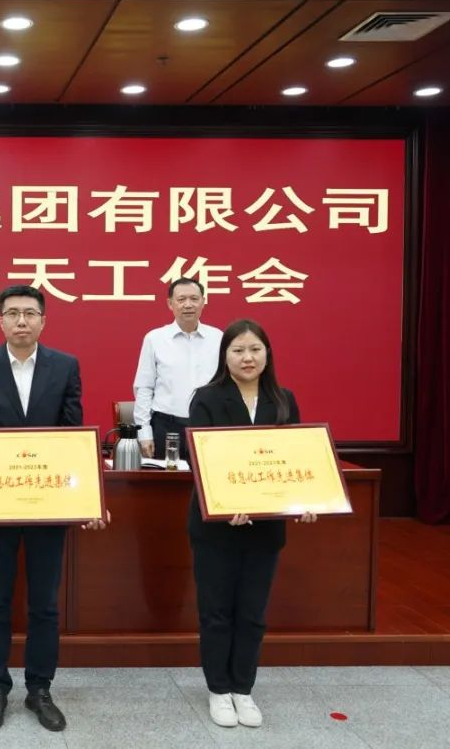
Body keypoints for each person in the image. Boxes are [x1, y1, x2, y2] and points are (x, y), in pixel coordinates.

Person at [0, 284, 108, 733]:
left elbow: (72, 435)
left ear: (43, 320)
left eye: (30, 313)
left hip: (48, 503)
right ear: (0, 320)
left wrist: (88, 498)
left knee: (44, 604)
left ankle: (40, 689)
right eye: (13, 313)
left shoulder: (65, 366)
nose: (22, 321)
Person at [187, 318, 317, 730]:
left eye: (255, 349)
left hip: (266, 527)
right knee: (217, 611)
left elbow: (294, 458)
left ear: (267, 355)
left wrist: (304, 499)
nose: (248, 357)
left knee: (253, 612)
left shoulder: (283, 399)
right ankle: (218, 689)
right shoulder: (207, 398)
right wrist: (227, 501)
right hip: (217, 526)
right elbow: (199, 460)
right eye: (239, 350)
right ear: (225, 356)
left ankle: (243, 688)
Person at [133, 277, 222, 461]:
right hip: (167, 426)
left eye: (194, 299)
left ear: (203, 302)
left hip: (209, 427)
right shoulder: (155, 338)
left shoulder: (218, 338)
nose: (188, 305)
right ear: (170, 304)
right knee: (167, 479)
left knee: (207, 478)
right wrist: (144, 432)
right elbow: (144, 388)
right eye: (181, 299)